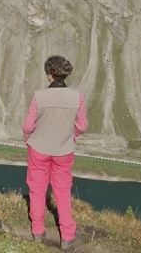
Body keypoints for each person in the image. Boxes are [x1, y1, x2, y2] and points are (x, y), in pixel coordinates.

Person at [22, 55, 88, 250]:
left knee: (37, 189)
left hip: (39, 149)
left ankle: (37, 231)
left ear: (49, 75)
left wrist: (28, 140)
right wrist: (72, 135)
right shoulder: (77, 97)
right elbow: (82, 125)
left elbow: (28, 125)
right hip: (64, 150)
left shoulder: (39, 96)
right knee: (62, 191)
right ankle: (67, 236)